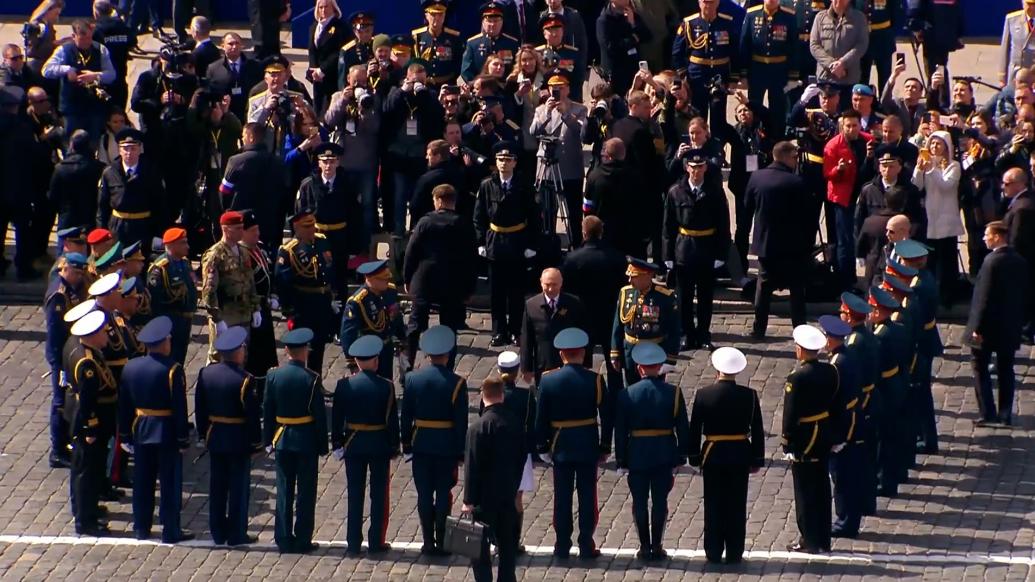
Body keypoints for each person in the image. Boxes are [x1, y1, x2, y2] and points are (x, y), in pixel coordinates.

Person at [535, 327, 610, 559]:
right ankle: (586, 542)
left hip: (561, 444)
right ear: (583, 353)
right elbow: (607, 417)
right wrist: (605, 446)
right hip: (587, 444)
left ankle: (561, 543)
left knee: (562, 496)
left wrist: (543, 446)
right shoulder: (595, 380)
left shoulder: (548, 380)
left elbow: (541, 418)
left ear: (561, 354)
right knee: (588, 496)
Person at [117, 316, 194, 543]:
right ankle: (171, 530)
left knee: (143, 481)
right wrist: (183, 439)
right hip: (167, 431)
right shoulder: (173, 370)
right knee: (169, 484)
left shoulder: (131, 367)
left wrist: (125, 434)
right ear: (164, 343)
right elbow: (179, 407)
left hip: (141, 429)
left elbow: (125, 405)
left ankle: (141, 526)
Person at [687, 346, 764, 564]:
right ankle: (734, 551)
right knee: (737, 505)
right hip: (740, 454)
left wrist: (694, 456)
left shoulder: (704, 395)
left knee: (713, 504)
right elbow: (757, 429)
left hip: (713, 455)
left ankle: (713, 550)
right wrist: (757, 458)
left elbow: (695, 429)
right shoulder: (749, 396)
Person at [614, 342, 691, 561]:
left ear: (639, 368)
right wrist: (681, 455)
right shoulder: (673, 393)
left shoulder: (627, 394)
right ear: (659, 367)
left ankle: (643, 546)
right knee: (660, 502)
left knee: (638, 501)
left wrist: (621, 459)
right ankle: (657, 545)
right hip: (663, 453)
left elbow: (620, 431)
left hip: (637, 453)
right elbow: (682, 427)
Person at [401, 326, 469, 556]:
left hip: (421, 443)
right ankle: (441, 541)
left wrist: (406, 444)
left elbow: (406, 416)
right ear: (448, 354)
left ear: (427, 355)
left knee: (423, 494)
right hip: (446, 445)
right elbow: (461, 422)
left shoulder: (412, 379)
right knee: (443, 494)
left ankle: (428, 541)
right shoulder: (457, 383)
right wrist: (461, 452)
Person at [331, 335, 400, 555]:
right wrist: (393, 446)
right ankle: (376, 541)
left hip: (353, 445)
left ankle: (353, 541)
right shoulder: (386, 387)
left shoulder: (344, 386)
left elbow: (337, 419)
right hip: (379, 444)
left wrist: (337, 444)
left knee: (354, 493)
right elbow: (391, 421)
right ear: (375, 361)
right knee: (378, 494)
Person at [263, 327, 329, 554]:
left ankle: (282, 536)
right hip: (306, 439)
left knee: (284, 490)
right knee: (306, 492)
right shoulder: (311, 379)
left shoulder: (273, 375)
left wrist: (267, 441)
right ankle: (302, 539)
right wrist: (323, 445)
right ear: (304, 351)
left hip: (282, 439)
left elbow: (268, 411)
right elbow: (319, 416)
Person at [195, 326, 262, 546]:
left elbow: (200, 408)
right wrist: (255, 443)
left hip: (215, 436)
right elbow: (252, 416)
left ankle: (217, 531)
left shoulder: (207, 373)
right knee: (238, 488)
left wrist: (203, 433)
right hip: (238, 439)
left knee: (217, 487)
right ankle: (236, 533)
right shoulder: (246, 379)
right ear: (239, 351)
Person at [403, 184, 477, 367]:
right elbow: (472, 259)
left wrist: (407, 278)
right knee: (449, 328)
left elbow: (411, 252)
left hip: (424, 279)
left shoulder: (425, 222)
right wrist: (469, 288)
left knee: (414, 327)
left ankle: (407, 369)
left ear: (438, 201)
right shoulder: (463, 224)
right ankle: (447, 369)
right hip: (452, 282)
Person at [475, 142, 541, 347]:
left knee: (516, 291)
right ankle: (498, 331)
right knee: (496, 292)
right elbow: (479, 217)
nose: (504, 164)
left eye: (508, 160)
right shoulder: (487, 185)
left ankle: (515, 330)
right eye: (500, 160)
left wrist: (531, 244)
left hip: (517, 241)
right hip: (495, 242)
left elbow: (534, 216)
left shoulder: (523, 185)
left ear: (514, 162)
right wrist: (481, 241)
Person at [663, 151, 730, 351]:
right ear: (686, 167)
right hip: (684, 248)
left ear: (706, 168)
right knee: (683, 297)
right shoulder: (676, 191)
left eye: (700, 167)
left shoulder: (715, 191)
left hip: (707, 248)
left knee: (705, 296)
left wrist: (721, 254)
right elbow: (668, 226)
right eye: (693, 167)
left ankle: (703, 334)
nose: (696, 171)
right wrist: (667, 256)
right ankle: (686, 334)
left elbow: (723, 225)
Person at [463, 372, 526, 582]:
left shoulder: (477, 428)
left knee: (478, 550)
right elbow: (521, 459)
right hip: (508, 496)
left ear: (483, 396)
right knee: (508, 547)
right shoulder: (515, 425)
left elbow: (472, 466)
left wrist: (468, 501)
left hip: (483, 500)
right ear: (502, 396)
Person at [967, 221, 1029, 426]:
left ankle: (987, 411)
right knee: (1006, 369)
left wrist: (977, 328)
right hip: (1010, 326)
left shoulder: (991, 262)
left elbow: (983, 298)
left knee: (979, 367)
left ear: (997, 237)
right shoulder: (1020, 261)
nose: (984, 238)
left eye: (987, 235)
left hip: (988, 327)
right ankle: (1005, 413)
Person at [783, 324, 838, 554]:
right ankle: (823, 538)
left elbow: (791, 413)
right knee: (823, 487)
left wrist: (787, 440)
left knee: (804, 490)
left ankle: (808, 539)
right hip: (825, 431)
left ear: (802, 350)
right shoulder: (831, 370)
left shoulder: (797, 377)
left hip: (806, 437)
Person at [746, 141, 811, 338]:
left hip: (766, 244)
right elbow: (807, 217)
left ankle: (759, 329)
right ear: (786, 157)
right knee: (797, 290)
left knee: (763, 288)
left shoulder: (757, 177)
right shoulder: (796, 182)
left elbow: (748, 206)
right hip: (792, 246)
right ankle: (800, 329)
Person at [560, 216, 628, 391]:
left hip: (582, 319)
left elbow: (566, 291)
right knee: (614, 367)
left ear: (583, 232)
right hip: (609, 318)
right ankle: (615, 402)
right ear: (601, 232)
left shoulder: (572, 259)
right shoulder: (617, 258)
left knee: (580, 366)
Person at [64, 309, 116, 536]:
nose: (107, 337)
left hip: (82, 414)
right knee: (87, 471)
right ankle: (85, 520)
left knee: (85, 468)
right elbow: (88, 401)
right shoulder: (87, 364)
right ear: (93, 335)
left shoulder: (79, 346)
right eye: (103, 334)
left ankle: (87, 508)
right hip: (90, 422)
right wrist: (90, 426)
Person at [816, 314, 866, 539]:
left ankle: (846, 521)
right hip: (852, 417)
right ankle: (848, 518)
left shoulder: (837, 364)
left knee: (842, 476)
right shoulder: (848, 355)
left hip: (843, 424)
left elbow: (835, 398)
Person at [530, 70, 587, 245]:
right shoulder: (541, 109)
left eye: (561, 88)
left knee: (573, 213)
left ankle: (576, 244)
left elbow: (582, 133)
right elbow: (533, 131)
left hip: (570, 168)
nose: (557, 92)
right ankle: (549, 245)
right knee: (547, 211)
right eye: (553, 88)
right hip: (547, 169)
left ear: (568, 89)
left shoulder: (579, 108)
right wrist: (547, 113)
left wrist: (566, 115)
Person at [275, 211, 335, 376]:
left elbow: (329, 270)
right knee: (300, 346)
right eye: (306, 226)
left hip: (321, 301)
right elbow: (283, 282)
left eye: (312, 225)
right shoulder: (288, 251)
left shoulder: (322, 242)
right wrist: (289, 309)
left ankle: (316, 381)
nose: (311, 230)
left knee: (319, 343)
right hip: (303, 304)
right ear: (296, 227)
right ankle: (299, 380)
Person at [294, 142, 357, 295]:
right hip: (315, 236)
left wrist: (355, 245)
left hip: (340, 236)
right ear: (319, 163)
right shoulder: (308, 185)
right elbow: (299, 214)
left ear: (338, 162)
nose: (328, 166)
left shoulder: (348, 183)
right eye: (325, 162)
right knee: (316, 273)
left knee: (339, 276)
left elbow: (355, 215)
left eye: (332, 161)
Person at [44, 253, 87, 468]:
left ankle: (65, 442)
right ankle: (57, 449)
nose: (79, 277)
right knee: (60, 402)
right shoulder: (59, 296)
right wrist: (58, 363)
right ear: (66, 268)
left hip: (69, 352)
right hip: (61, 356)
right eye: (76, 273)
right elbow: (55, 333)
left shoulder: (71, 289)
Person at [41, 19, 116, 142]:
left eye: (90, 38)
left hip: (93, 106)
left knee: (94, 141)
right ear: (73, 36)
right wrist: (67, 69)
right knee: (70, 141)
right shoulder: (64, 50)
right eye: (83, 39)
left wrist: (96, 75)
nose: (87, 42)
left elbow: (112, 75)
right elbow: (46, 70)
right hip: (71, 107)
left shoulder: (100, 49)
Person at [201, 211, 261, 363]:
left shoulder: (243, 251)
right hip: (226, 313)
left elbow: (250, 281)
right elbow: (209, 291)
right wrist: (217, 319)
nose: (242, 231)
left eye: (242, 227)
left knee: (241, 355)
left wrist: (255, 308)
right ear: (226, 230)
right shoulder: (215, 255)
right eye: (238, 228)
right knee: (219, 357)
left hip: (243, 311)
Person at [912, 130, 963, 307]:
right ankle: (931, 295)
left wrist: (931, 170)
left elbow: (946, 185)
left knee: (946, 261)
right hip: (930, 218)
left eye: (938, 144)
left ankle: (947, 296)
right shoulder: (926, 163)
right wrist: (919, 170)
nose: (934, 147)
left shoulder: (954, 165)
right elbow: (916, 186)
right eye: (932, 143)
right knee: (930, 261)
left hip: (946, 219)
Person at [868, 284, 910, 497]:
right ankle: (895, 474)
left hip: (884, 388)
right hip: (897, 382)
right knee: (894, 434)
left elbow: (875, 369)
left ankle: (886, 481)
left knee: (884, 439)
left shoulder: (880, 336)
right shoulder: (897, 328)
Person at [610, 258, 680, 385]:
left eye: (634, 276)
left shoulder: (665, 297)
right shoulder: (625, 293)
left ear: (648, 276)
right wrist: (615, 352)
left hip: (654, 352)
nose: (630, 280)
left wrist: (670, 359)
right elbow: (618, 325)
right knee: (631, 390)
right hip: (630, 352)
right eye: (629, 276)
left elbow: (674, 330)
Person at [220, 122, 290, 249]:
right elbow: (285, 193)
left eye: (243, 136)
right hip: (270, 222)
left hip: (241, 223)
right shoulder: (279, 163)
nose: (242, 139)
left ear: (251, 137)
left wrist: (228, 211)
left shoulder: (236, 161)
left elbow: (224, 191)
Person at [825, 110, 873, 287]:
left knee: (865, 237)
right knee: (845, 241)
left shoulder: (868, 141)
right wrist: (839, 169)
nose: (851, 129)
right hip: (843, 197)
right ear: (841, 126)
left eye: (855, 125)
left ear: (860, 125)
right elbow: (828, 174)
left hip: (864, 196)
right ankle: (847, 281)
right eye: (848, 126)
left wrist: (870, 157)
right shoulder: (833, 146)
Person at [97, 128, 167, 250]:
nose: (129, 153)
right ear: (119, 150)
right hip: (117, 226)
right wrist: (101, 232)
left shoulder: (151, 172)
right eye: (125, 149)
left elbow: (160, 204)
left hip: (143, 225)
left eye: (133, 148)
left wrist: (159, 233)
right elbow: (102, 206)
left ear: (140, 149)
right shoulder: (110, 172)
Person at [672, 0, 740, 122]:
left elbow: (735, 52)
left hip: (720, 75)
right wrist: (683, 76)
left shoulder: (727, 23)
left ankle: (716, 140)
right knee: (698, 116)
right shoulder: (689, 24)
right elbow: (677, 52)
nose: (708, 5)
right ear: (699, 3)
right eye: (705, 2)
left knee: (718, 118)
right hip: (697, 77)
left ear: (718, 3)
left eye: (712, 3)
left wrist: (734, 78)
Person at [739, 0, 798, 134]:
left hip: (779, 70)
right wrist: (743, 74)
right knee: (753, 107)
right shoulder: (752, 14)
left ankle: (776, 143)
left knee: (778, 110)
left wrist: (793, 75)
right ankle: (753, 140)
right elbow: (744, 45)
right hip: (757, 70)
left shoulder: (789, 16)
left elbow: (794, 47)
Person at [340, 260, 406, 379]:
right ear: (371, 279)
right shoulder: (358, 301)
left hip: (386, 347)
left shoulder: (390, 291)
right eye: (383, 279)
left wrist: (403, 340)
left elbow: (396, 316)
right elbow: (348, 334)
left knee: (387, 382)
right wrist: (353, 364)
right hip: (368, 352)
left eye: (387, 278)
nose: (387, 281)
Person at [519, 268, 587, 382]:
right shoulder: (531, 305)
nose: (550, 289)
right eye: (547, 284)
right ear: (541, 282)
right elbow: (527, 338)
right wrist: (526, 368)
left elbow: (583, 332)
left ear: (561, 283)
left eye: (554, 284)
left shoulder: (574, 303)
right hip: (543, 363)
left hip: (569, 364)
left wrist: (586, 362)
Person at [582, 138, 643, 258]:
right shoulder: (635, 176)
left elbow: (587, 206)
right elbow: (641, 205)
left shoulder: (594, 176)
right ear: (623, 154)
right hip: (629, 233)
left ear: (607, 155)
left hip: (602, 235)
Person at [146, 228, 198, 366]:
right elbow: (155, 303)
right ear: (172, 245)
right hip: (170, 322)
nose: (187, 246)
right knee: (169, 361)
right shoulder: (160, 270)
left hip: (185, 321)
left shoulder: (185, 263)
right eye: (183, 243)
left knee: (180, 359)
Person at [48, 131, 105, 240]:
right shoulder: (99, 168)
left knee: (65, 252)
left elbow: (53, 197)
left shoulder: (61, 168)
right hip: (91, 218)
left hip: (67, 217)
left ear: (72, 145)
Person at [1001, 167, 1035, 343]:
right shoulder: (1022, 200)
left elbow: (1017, 239)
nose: (1003, 187)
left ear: (1020, 184)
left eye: (1007, 184)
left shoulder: (1022, 208)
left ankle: (1026, 329)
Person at [808, 0, 868, 99]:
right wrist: (831, 64)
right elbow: (814, 45)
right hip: (825, 79)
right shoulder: (820, 17)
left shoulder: (859, 18)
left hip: (849, 78)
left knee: (847, 113)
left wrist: (843, 63)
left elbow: (862, 45)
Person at [596, 0, 652, 96]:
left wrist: (633, 23)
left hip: (634, 69)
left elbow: (647, 36)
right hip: (616, 73)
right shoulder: (604, 20)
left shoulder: (631, 14)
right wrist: (633, 39)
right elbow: (609, 47)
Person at [207, 33, 265, 122]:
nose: (234, 47)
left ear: (242, 46)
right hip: (225, 117)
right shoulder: (213, 69)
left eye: (237, 43)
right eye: (230, 44)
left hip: (249, 115)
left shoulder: (255, 66)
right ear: (222, 46)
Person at [462, 2, 520, 84]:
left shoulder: (511, 43)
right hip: (480, 90)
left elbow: (516, 68)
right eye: (489, 21)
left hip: (505, 90)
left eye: (496, 21)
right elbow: (466, 71)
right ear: (483, 22)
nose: (492, 24)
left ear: (502, 22)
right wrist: (476, 84)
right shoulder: (473, 43)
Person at [307, 0, 348, 114]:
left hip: (331, 76)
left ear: (334, 8)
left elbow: (339, 52)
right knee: (317, 109)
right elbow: (312, 51)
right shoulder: (314, 27)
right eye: (320, 7)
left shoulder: (340, 27)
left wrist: (322, 70)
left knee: (329, 111)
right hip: (317, 78)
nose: (323, 10)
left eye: (326, 7)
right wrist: (313, 69)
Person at [412, 0, 463, 88]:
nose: (437, 18)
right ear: (426, 15)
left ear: (445, 16)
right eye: (433, 14)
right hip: (423, 85)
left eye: (440, 14)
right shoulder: (417, 37)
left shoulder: (453, 38)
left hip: (447, 84)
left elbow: (458, 64)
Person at [535, 14, 583, 102]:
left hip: (569, 99)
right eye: (550, 30)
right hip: (545, 100)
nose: (554, 33)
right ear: (544, 33)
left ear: (563, 31)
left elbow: (578, 80)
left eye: (557, 29)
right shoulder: (537, 53)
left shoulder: (573, 53)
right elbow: (535, 80)